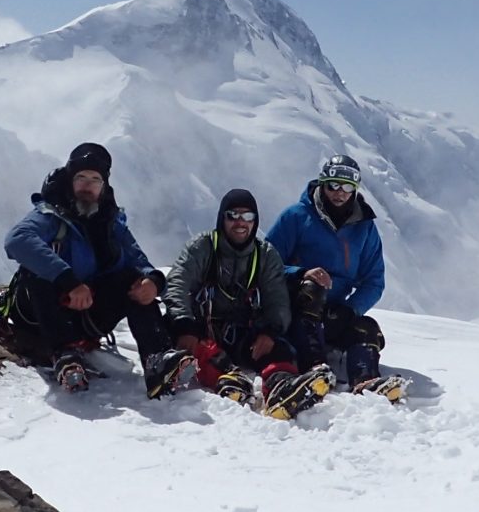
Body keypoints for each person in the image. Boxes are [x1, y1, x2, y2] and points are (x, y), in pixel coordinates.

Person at [2, 141, 170, 390]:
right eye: (81, 177)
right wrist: (68, 281)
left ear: (104, 186)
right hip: (39, 316)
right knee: (36, 273)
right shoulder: (50, 214)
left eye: (95, 179)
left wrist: (153, 282)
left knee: (133, 281)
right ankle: (64, 353)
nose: (87, 186)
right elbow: (17, 240)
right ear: (70, 180)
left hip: (86, 315)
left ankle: (157, 358)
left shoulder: (111, 223)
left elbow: (138, 261)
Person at [154, 188, 307, 406]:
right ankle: (228, 378)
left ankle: (282, 386)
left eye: (247, 216)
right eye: (233, 215)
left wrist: (270, 332)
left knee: (280, 349)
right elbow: (178, 282)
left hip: (242, 333)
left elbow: (278, 300)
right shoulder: (202, 247)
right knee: (197, 348)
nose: (240, 222)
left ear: (255, 221)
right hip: (200, 331)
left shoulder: (265, 255)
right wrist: (184, 325)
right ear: (222, 218)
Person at [267, 152, 389, 390]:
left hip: (334, 312)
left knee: (367, 327)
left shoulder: (364, 227)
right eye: (333, 185)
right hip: (294, 308)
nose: (339, 192)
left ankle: (366, 381)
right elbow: (267, 263)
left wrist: (350, 309)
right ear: (323, 184)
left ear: (355, 189)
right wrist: (301, 273)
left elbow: (374, 281)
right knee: (313, 290)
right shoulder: (296, 217)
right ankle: (314, 369)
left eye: (346, 186)